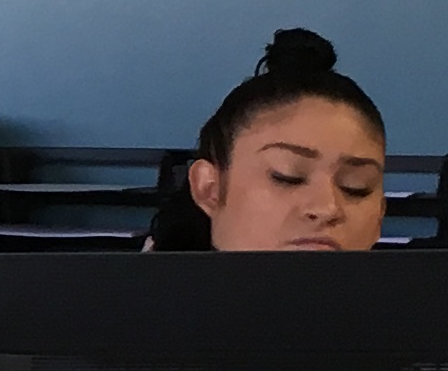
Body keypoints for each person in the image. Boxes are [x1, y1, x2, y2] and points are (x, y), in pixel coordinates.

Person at [156, 28, 391, 252]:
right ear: (210, 189)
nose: (327, 208)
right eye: (287, 177)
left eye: (357, 187)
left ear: (380, 213)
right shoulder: (144, 292)